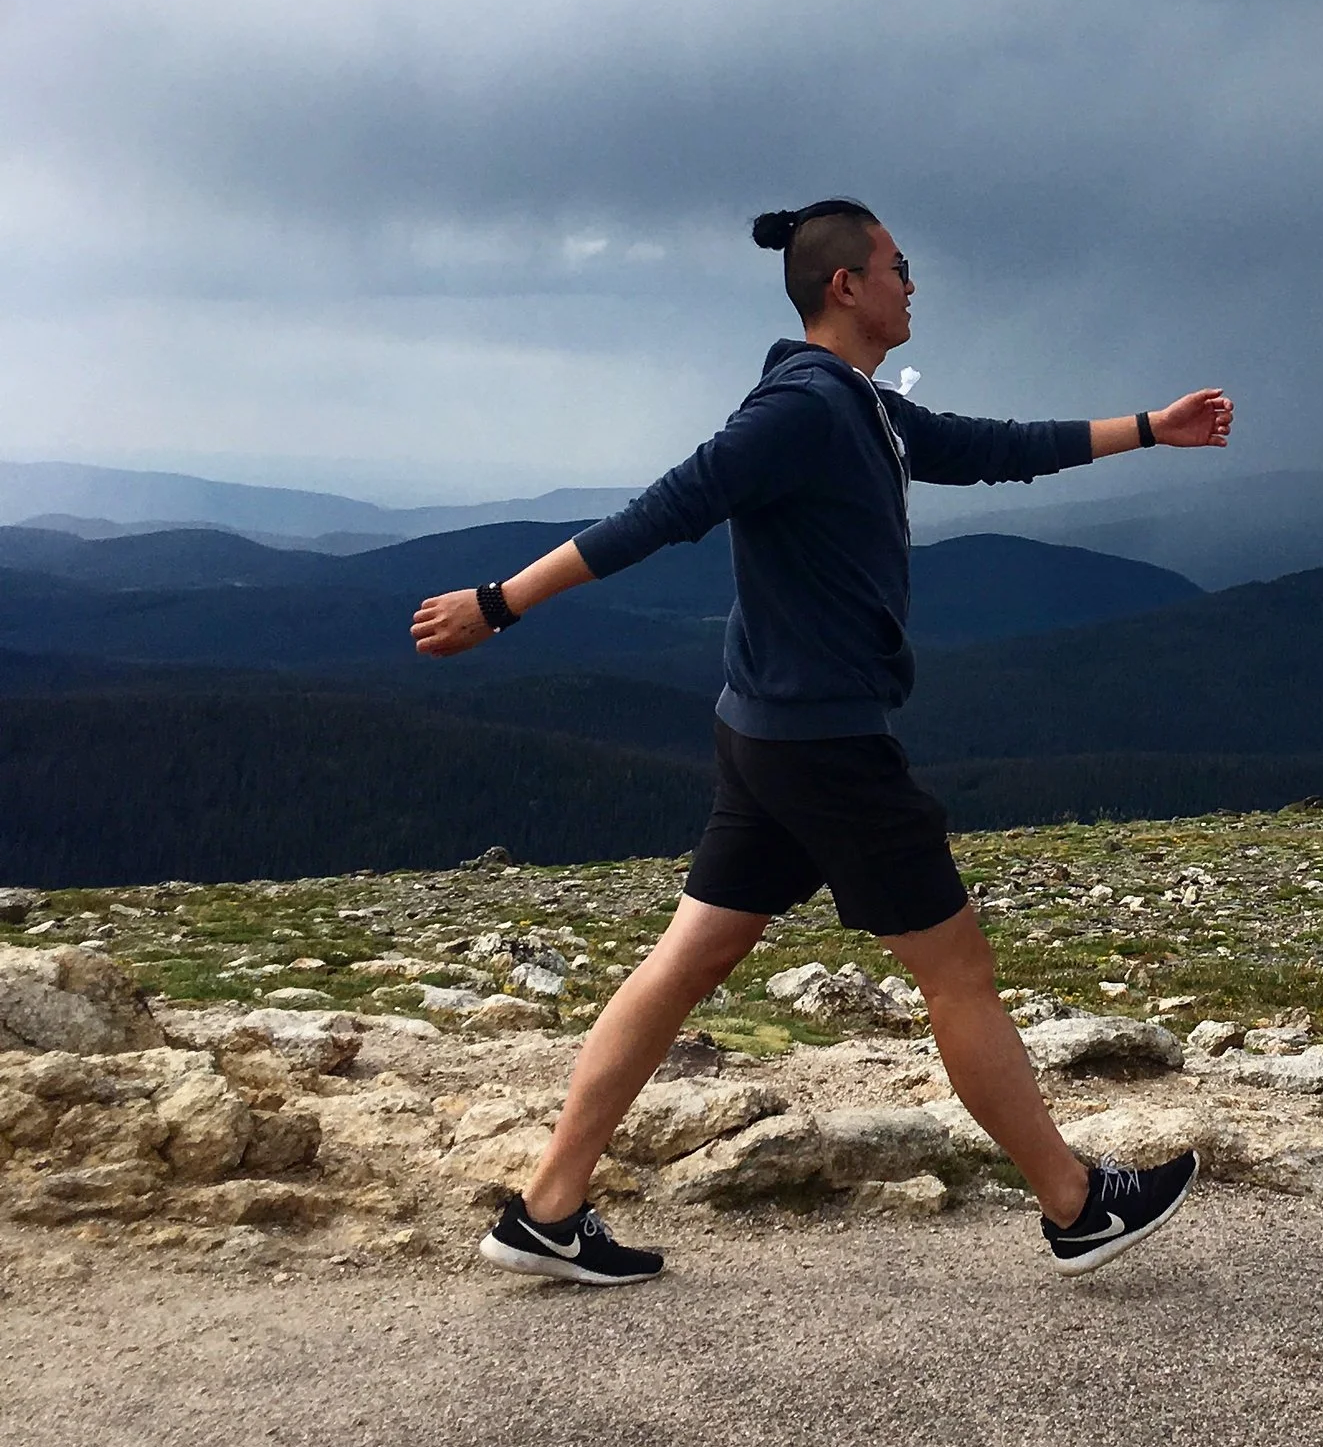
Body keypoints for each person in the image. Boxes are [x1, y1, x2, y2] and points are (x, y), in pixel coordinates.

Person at [410, 196, 1231, 1283]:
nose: (910, 282)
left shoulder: (866, 409)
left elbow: (991, 448)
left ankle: (548, 1211)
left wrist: (1147, 428)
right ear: (845, 284)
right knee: (960, 973)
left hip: (763, 733)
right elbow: (660, 511)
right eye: (897, 265)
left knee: (688, 959)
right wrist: (498, 602)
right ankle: (1076, 1205)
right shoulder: (800, 409)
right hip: (824, 745)